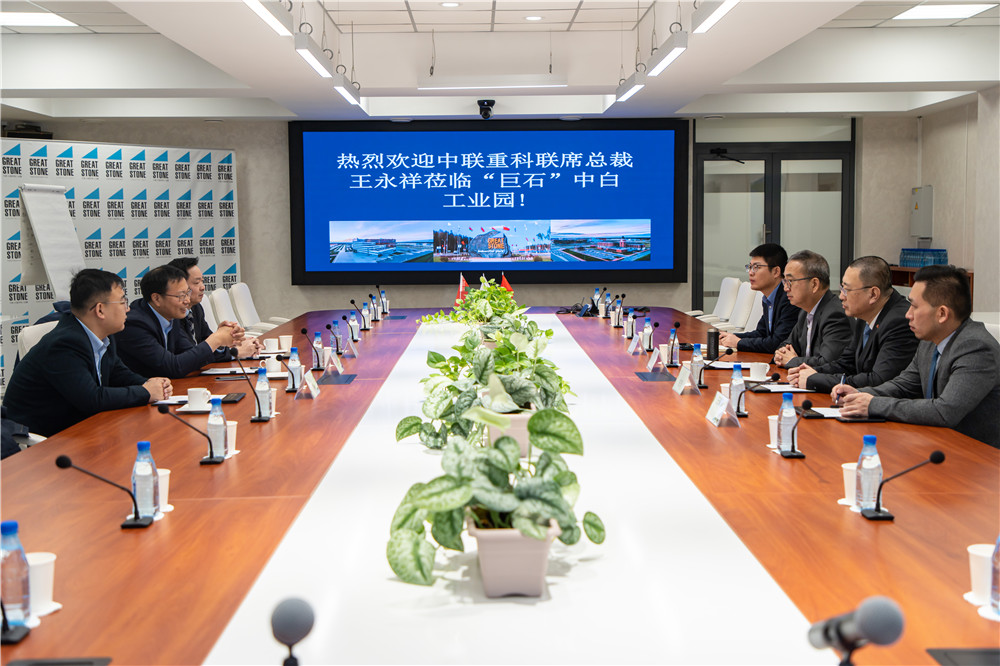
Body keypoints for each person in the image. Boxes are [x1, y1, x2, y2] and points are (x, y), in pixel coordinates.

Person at [837, 265, 1000, 447]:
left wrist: (873, 404)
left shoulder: (976, 348)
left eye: (914, 306)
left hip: (977, 454)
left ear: (942, 314)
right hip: (937, 442)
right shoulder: (930, 340)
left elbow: (944, 411)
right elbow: (904, 385)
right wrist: (860, 394)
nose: (908, 314)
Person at [2, 269, 171, 437]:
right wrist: (146, 392)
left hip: (79, 427)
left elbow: (118, 373)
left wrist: (153, 384)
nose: (127, 309)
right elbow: (92, 399)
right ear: (100, 310)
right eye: (122, 302)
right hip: (41, 439)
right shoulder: (64, 344)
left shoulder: (103, 335)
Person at [789, 256, 918, 392]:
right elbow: (847, 363)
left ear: (873, 294)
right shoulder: (865, 314)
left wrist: (816, 380)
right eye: (841, 288)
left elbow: (878, 380)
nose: (841, 296)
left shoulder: (899, 322)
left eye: (847, 290)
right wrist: (811, 372)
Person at [115, 264, 237, 379]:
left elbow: (192, 355)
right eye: (181, 296)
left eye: (187, 293)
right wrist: (216, 339)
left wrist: (221, 342)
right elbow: (173, 367)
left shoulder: (171, 316)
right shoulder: (134, 325)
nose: (187, 300)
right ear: (156, 298)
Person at [167, 257, 259, 360]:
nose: (203, 287)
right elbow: (191, 354)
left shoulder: (196, 308)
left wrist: (231, 339)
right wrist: (235, 352)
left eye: (202, 281)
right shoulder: (171, 316)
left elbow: (207, 343)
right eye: (196, 283)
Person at [772, 250, 852, 369]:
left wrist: (793, 361)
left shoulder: (835, 315)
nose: (785, 288)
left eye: (790, 281)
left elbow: (828, 363)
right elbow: (785, 345)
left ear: (814, 284)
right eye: (785, 281)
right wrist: (781, 355)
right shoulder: (805, 311)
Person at [719, 243, 799, 354]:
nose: (751, 273)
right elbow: (761, 333)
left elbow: (778, 343)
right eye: (749, 267)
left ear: (776, 271)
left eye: (756, 267)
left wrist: (738, 342)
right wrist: (731, 336)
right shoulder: (768, 299)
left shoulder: (789, 299)